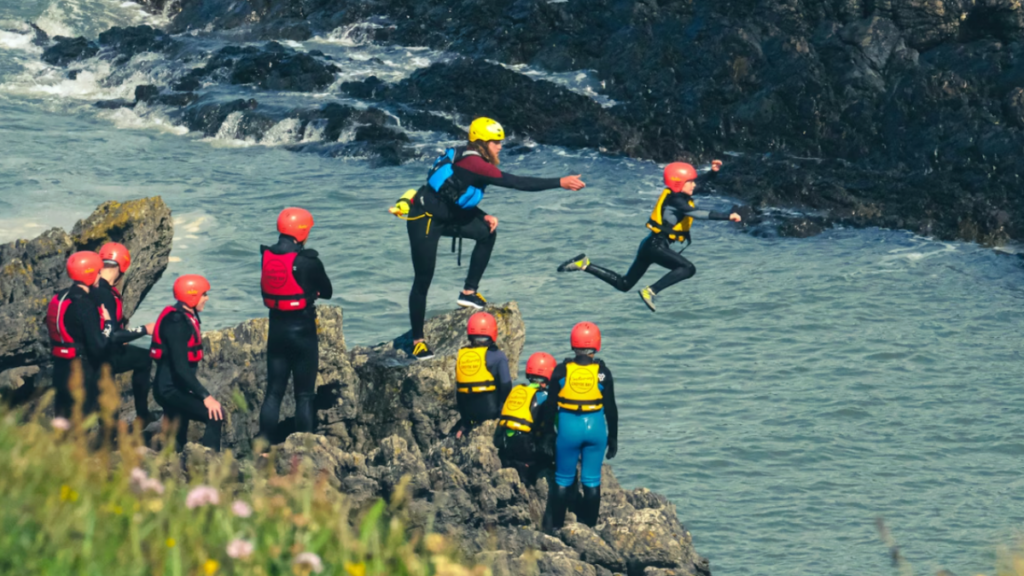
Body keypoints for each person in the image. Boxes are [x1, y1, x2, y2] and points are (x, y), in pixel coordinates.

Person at [403, 117, 587, 360]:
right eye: (495, 142)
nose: (500, 146)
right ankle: (418, 341)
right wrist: (559, 182)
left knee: (486, 232)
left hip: (447, 215)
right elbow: (516, 182)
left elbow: (453, 192)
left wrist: (481, 215)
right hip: (423, 218)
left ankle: (468, 293)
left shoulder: (471, 157)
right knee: (423, 279)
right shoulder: (475, 163)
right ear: (481, 143)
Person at [557, 160, 741, 312]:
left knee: (624, 284)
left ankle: (585, 264)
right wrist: (727, 216)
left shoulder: (677, 193)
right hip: (656, 247)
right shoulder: (676, 200)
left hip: (649, 245)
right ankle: (651, 291)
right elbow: (697, 213)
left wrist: (713, 173)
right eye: (690, 181)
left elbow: (698, 184)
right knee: (688, 268)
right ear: (679, 183)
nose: (695, 184)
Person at [257, 207, 333, 444]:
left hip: (277, 330)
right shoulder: (308, 261)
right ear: (301, 232)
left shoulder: (266, 255)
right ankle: (306, 448)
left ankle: (264, 447)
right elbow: (328, 292)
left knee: (274, 393)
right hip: (302, 332)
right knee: (304, 395)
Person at [543, 322, 617, 531]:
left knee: (563, 479)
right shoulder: (603, 373)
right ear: (596, 345)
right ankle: (590, 529)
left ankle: (557, 528)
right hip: (596, 430)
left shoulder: (561, 370)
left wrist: (549, 432)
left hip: (569, 429)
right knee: (591, 481)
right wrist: (613, 438)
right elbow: (611, 409)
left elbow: (550, 406)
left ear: (573, 344)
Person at [150, 274, 223, 452]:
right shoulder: (177, 323)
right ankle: (209, 463)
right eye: (203, 294)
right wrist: (206, 396)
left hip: (176, 388)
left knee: (178, 435)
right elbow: (181, 367)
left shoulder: (183, 316)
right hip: (169, 390)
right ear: (192, 296)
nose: (206, 298)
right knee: (215, 415)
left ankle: (175, 465)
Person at [93, 242, 156, 425]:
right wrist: (145, 329)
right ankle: (142, 415)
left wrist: (121, 333)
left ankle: (142, 416)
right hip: (102, 359)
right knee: (109, 415)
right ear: (120, 269)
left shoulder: (91, 287)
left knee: (143, 357)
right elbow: (112, 335)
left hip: (88, 353)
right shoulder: (106, 294)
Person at [45, 251, 114, 418]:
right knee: (80, 425)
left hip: (60, 368)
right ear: (91, 274)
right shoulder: (84, 305)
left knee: (62, 423)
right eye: (98, 271)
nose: (100, 275)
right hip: (80, 372)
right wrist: (108, 324)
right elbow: (98, 346)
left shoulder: (61, 297)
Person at [494, 351, 557, 485]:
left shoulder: (518, 390)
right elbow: (556, 425)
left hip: (506, 445)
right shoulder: (545, 397)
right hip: (527, 450)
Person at [454, 311, 513, 439]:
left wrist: (465, 421)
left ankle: (465, 425)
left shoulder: (462, 355)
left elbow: (459, 391)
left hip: (468, 415)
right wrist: (502, 411)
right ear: (493, 332)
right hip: (489, 412)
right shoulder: (498, 356)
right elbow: (506, 386)